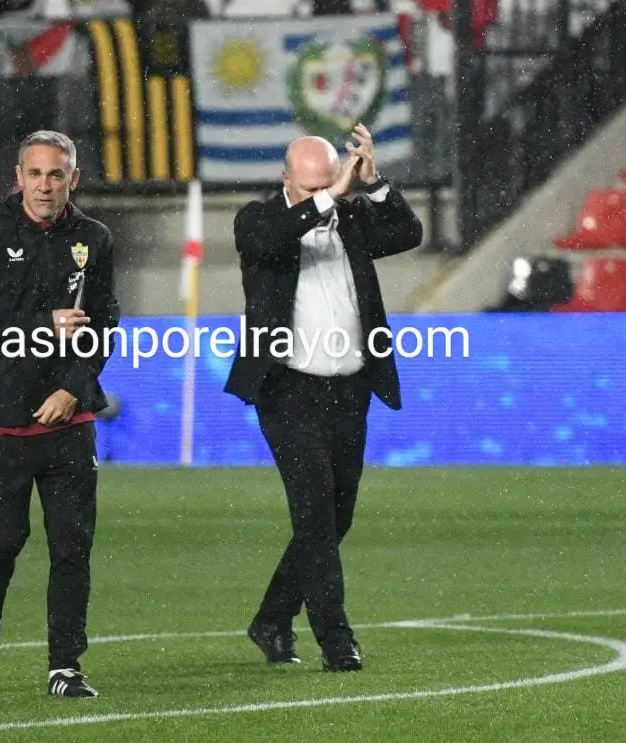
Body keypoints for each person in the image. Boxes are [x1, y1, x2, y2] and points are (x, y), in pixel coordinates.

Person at [224, 124, 422, 671]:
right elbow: (264, 244)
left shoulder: (353, 220)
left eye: (327, 181)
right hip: (287, 389)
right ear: (286, 180)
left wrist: (374, 183)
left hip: (350, 388)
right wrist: (326, 198)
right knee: (314, 516)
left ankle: (270, 618)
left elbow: (408, 233)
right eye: (309, 185)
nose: (321, 193)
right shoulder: (259, 219)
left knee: (336, 518)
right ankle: (336, 639)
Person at [0, 130, 120, 698]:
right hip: (0, 418)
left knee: (73, 546)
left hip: (69, 422)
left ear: (73, 178)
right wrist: (39, 325)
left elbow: (104, 325)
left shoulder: (94, 239)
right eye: (36, 174)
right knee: (0, 541)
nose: (45, 186)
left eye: (57, 175)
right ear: (18, 177)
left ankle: (65, 666)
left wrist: (75, 389)